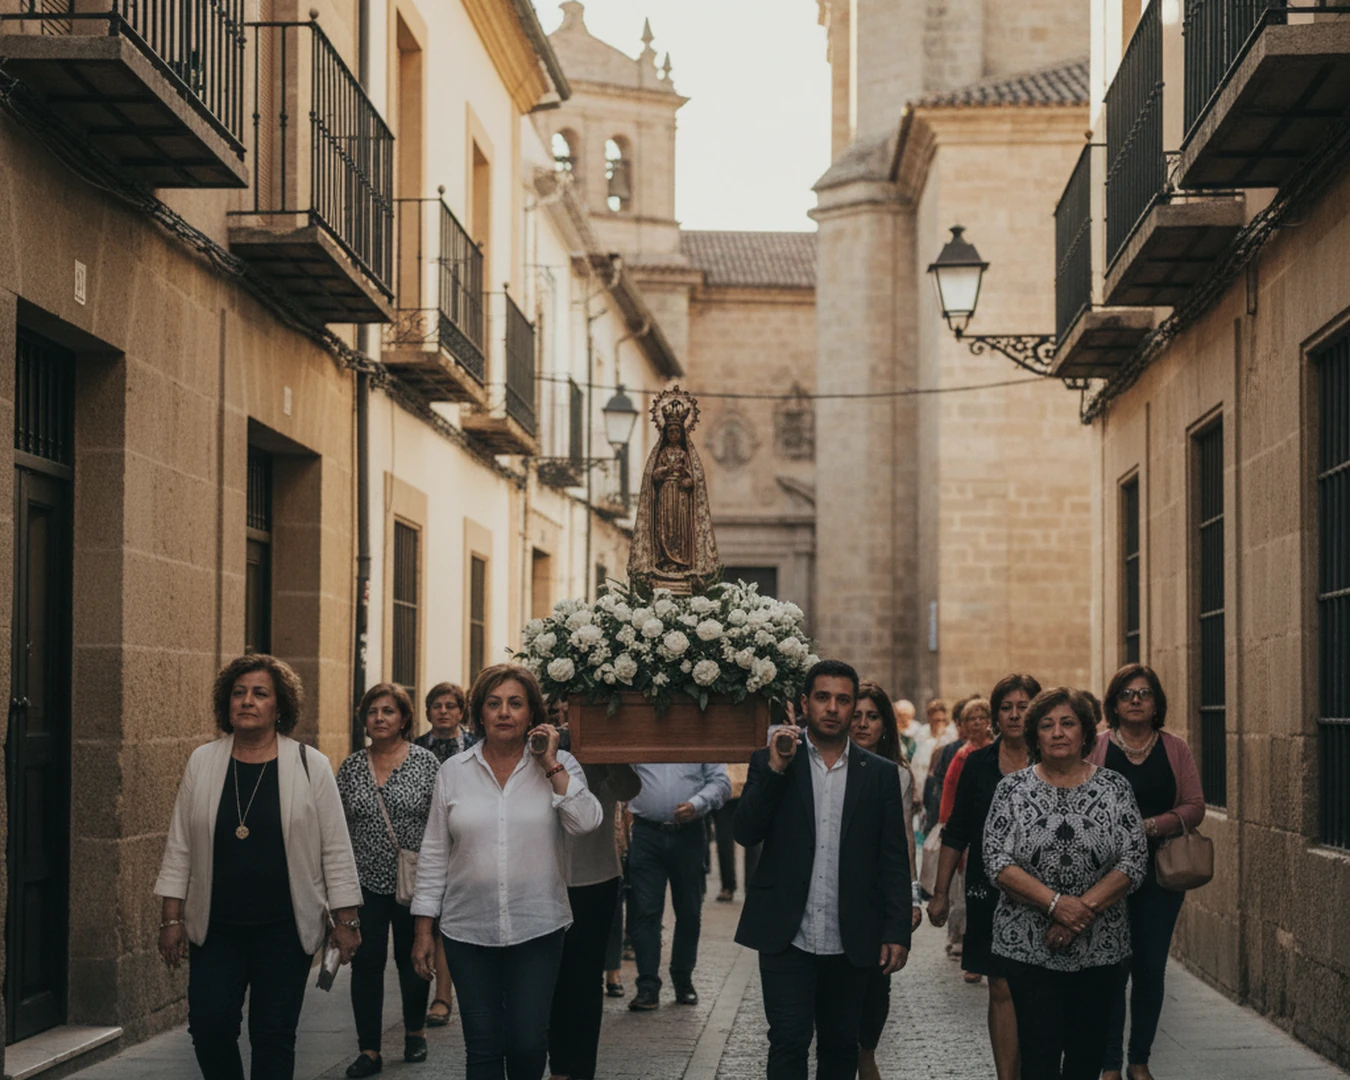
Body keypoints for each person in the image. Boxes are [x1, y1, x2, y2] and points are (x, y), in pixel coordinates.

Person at [155, 655, 362, 1080]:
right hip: (215, 928)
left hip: (284, 927)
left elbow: (336, 848)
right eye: (238, 692)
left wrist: (346, 920)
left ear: (279, 706)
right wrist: (170, 918)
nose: (247, 701)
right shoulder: (203, 761)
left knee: (273, 1035)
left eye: (259, 693)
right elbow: (180, 844)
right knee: (210, 1028)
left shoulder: (310, 764)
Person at [410, 664, 602, 1080]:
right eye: (494, 704)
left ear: (531, 714)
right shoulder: (454, 772)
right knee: (482, 1043)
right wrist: (424, 930)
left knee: (528, 1040)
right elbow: (434, 854)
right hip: (467, 930)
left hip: (538, 926)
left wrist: (550, 763)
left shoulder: (560, 765)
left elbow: (586, 822)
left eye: (515, 704)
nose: (504, 713)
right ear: (479, 713)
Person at [734, 660, 912, 1080]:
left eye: (843, 699)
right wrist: (776, 770)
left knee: (839, 1047)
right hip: (786, 935)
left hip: (851, 938)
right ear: (803, 704)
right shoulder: (773, 760)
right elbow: (745, 831)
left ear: (853, 708)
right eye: (822, 697)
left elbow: (893, 859)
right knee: (788, 1042)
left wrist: (896, 931)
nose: (832, 708)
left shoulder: (880, 775)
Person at [983, 687, 1148, 1080]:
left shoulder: (1115, 788)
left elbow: (1134, 859)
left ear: (1086, 732)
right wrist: (1056, 905)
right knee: (1038, 1058)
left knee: (1086, 1058)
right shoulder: (1012, 789)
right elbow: (996, 859)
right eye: (1047, 724)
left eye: (1068, 723)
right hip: (1027, 946)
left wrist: (1080, 910)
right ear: (1035, 736)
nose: (1057, 732)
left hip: (1100, 948)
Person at [1090, 665, 1205, 1080]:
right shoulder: (1098, 747)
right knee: (1112, 968)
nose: (1136, 700)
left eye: (1144, 693)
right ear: (1114, 704)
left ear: (1157, 703)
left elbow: (1194, 805)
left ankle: (1139, 1060)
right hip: (1105, 876)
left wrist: (1151, 826)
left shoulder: (1175, 748)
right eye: (1126, 693)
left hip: (1159, 875)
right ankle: (1108, 1065)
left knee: (1150, 967)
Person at [928, 674, 1041, 1078]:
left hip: (1046, 891)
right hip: (988, 888)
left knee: (1039, 989)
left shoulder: (1052, 758)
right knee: (1001, 985)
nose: (1014, 714)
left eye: (1022, 705)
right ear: (996, 715)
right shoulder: (978, 763)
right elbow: (956, 830)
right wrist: (940, 893)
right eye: (1006, 707)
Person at [336, 683, 441, 1077]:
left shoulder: (426, 763)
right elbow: (338, 828)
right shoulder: (350, 767)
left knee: (411, 957)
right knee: (366, 964)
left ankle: (415, 1031)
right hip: (364, 882)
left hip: (414, 881)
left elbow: (439, 823)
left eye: (388, 711)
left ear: (403, 719)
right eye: (372, 712)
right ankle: (370, 1050)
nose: (379, 718)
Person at [548, 762, 642, 1080]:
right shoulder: (542, 748)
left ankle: (581, 1070)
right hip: (546, 878)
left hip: (596, 876)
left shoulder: (603, 750)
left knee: (586, 981)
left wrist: (610, 758)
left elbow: (630, 789)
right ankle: (559, 1067)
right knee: (552, 979)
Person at [849, 682, 923, 1080]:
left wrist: (910, 898)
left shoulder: (897, 775)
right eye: (856, 715)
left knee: (877, 979)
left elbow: (906, 842)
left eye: (872, 716)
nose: (862, 723)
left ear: (885, 726)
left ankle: (866, 1051)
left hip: (879, 891)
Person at [625, 759, 730, 1010]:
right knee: (646, 911)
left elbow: (721, 782)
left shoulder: (700, 733)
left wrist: (697, 804)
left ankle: (683, 979)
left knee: (689, 911)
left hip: (689, 833)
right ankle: (648, 985)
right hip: (646, 832)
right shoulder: (640, 733)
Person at [712, 762, 761, 902]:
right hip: (725, 785)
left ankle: (751, 886)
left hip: (751, 783)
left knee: (754, 840)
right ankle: (727, 886)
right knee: (723, 840)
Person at [415, 682, 477, 763]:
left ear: (461, 713)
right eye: (437, 706)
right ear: (428, 714)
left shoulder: (475, 746)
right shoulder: (416, 747)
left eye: (450, 706)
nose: (443, 711)